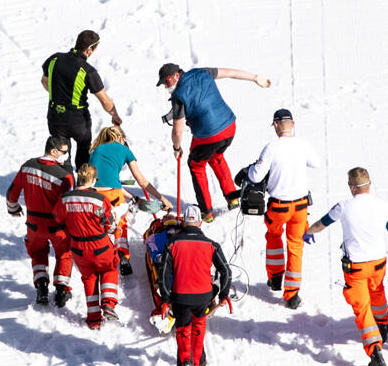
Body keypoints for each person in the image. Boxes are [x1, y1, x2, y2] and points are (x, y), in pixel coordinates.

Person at [304, 167, 388, 366]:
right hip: (379, 262)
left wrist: (307, 232)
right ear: (369, 184)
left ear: (352, 188)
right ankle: (383, 325)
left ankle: (375, 351)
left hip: (356, 267)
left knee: (362, 308)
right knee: (377, 293)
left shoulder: (343, 207)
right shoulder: (383, 206)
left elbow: (321, 224)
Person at [157, 63, 271, 222]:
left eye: (167, 82)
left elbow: (177, 131)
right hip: (230, 126)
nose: (165, 86)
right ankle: (232, 198)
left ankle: (206, 212)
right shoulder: (201, 72)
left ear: (176, 75)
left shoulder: (178, 97)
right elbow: (231, 72)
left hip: (209, 134)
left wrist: (177, 148)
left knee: (196, 164)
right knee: (215, 156)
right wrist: (255, 78)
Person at [238, 108, 319, 309]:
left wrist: (251, 169)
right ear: (292, 124)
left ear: (275, 125)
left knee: (274, 237)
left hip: (279, 206)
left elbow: (256, 176)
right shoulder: (303, 145)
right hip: (300, 207)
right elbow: (315, 163)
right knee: (295, 246)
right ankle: (292, 294)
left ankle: (275, 277)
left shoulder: (271, 148)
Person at [158, 205, 231, 366]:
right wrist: (224, 294)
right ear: (199, 223)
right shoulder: (212, 245)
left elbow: (164, 274)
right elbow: (226, 271)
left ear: (183, 222)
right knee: (199, 324)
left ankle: (186, 363)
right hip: (203, 296)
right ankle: (197, 359)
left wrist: (166, 299)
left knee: (182, 328)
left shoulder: (172, 244)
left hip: (180, 297)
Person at [89, 125, 173, 275]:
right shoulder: (124, 149)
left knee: (97, 224)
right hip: (113, 194)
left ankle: (97, 256)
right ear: (120, 138)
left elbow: (103, 181)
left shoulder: (96, 151)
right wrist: (162, 198)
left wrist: (134, 198)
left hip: (94, 194)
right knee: (120, 224)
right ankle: (122, 255)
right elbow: (141, 181)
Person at [6, 136, 75, 306]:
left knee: (37, 253)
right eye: (64, 152)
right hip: (57, 226)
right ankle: (61, 290)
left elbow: (12, 193)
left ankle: (42, 286)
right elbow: (69, 204)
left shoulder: (27, 166)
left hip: (34, 224)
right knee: (65, 254)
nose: (65, 156)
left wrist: (13, 208)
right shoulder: (64, 176)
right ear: (53, 151)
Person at [41, 30, 122, 172]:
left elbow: (44, 81)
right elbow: (104, 100)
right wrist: (115, 115)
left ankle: (65, 184)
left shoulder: (54, 59)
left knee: (62, 154)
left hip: (55, 117)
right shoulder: (87, 70)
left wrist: (59, 95)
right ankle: (82, 183)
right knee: (84, 150)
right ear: (89, 50)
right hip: (78, 121)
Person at [53, 163, 120, 329]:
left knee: (89, 279)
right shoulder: (100, 200)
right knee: (109, 270)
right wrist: (115, 225)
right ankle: (109, 303)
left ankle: (94, 320)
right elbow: (110, 226)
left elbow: (58, 219)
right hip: (100, 245)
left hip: (78, 248)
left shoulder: (65, 199)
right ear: (93, 180)